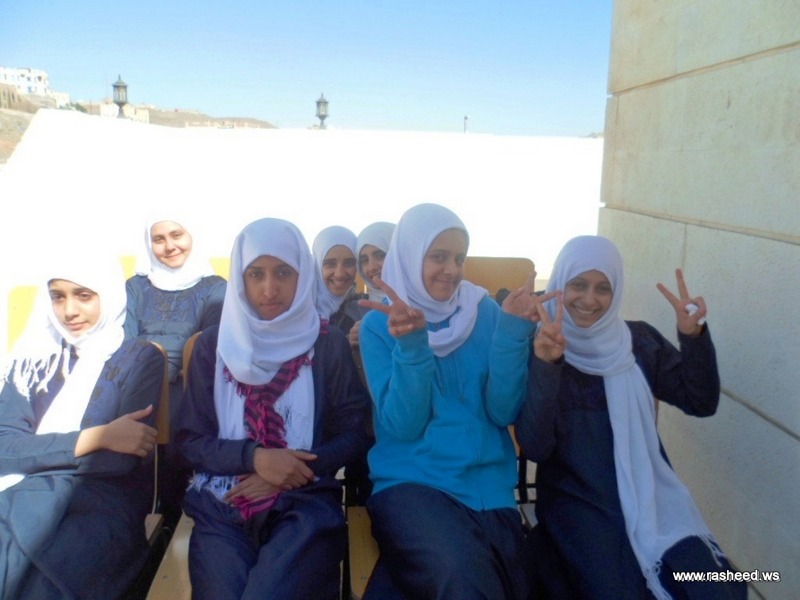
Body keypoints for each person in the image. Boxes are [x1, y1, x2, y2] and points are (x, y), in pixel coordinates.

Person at [514, 235, 746, 600]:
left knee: (715, 589)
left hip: (652, 498)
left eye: (603, 288)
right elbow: (535, 447)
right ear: (559, 284)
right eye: (578, 285)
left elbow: (701, 401)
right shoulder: (541, 344)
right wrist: (546, 365)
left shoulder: (638, 342)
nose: (590, 299)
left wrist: (693, 336)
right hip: (579, 506)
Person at [175, 218, 371, 600]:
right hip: (224, 503)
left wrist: (292, 471)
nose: (269, 289)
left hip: (305, 504)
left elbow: (355, 433)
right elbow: (190, 441)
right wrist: (256, 458)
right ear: (240, 278)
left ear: (302, 275)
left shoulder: (325, 344)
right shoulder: (214, 347)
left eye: (283, 272)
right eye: (256, 274)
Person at [358, 203, 541, 599]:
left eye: (459, 258)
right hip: (413, 486)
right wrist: (412, 347)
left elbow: (502, 412)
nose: (452, 270)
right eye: (438, 256)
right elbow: (403, 425)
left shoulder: (485, 312)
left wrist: (512, 333)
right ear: (410, 256)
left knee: (511, 586)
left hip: (490, 492)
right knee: (462, 579)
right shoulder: (381, 325)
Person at [0, 257, 162, 599]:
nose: (69, 311)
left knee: (48, 582)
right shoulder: (31, 363)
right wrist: (97, 438)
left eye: (84, 295)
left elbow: (119, 461)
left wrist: (32, 452)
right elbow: (3, 449)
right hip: (18, 494)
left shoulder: (140, 358)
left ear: (107, 294)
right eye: (57, 297)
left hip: (101, 506)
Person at [123, 215, 226, 525]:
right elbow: (125, 342)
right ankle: (137, 520)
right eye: (158, 239)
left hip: (189, 384)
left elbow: (207, 345)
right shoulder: (136, 287)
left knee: (177, 426)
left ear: (192, 235)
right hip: (140, 381)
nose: (169, 246)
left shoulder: (215, 288)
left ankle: (174, 517)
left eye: (177, 235)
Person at [311, 225, 363, 334]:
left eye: (349, 263)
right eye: (330, 264)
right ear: (317, 266)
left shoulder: (361, 311)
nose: (339, 274)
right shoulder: (296, 310)